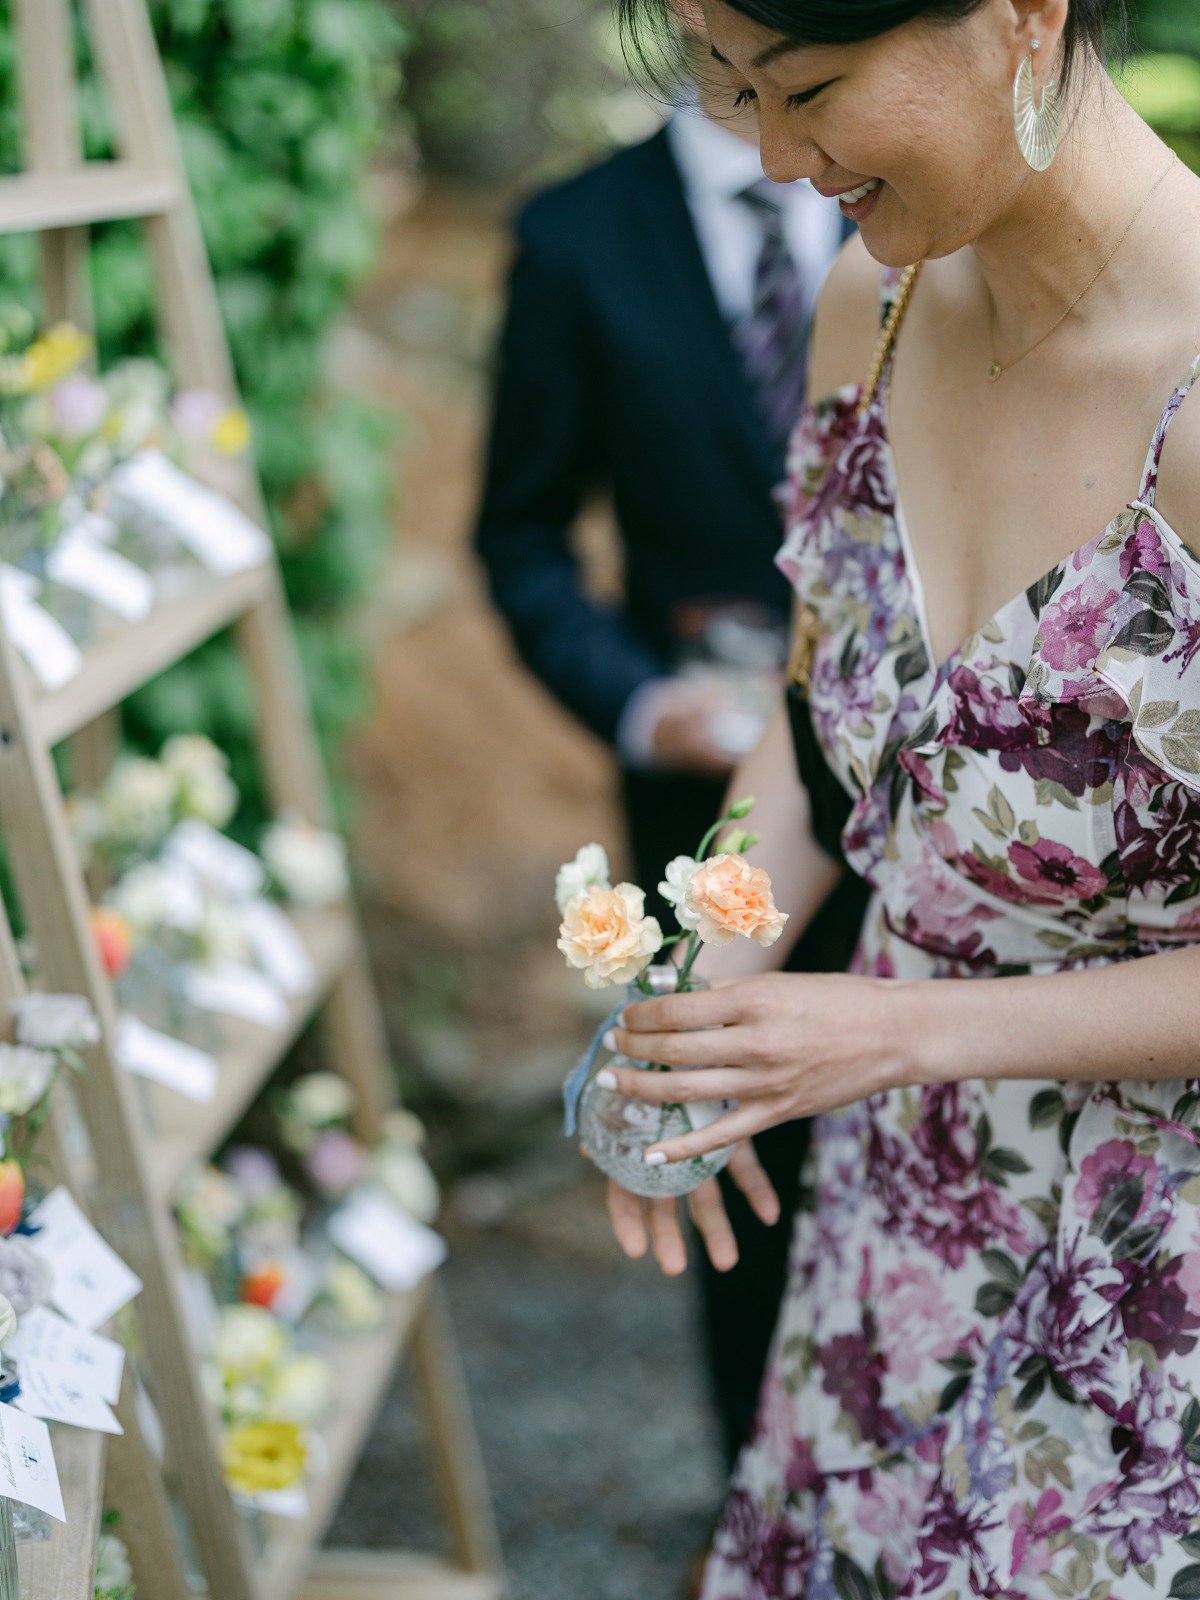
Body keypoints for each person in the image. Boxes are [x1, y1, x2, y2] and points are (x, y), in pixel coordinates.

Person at [601, 0, 1200, 1592]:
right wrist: (706, 981)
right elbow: (816, 743)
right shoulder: (867, 307)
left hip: (1153, 1309)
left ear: (1025, 14)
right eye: (736, 94)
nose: (779, 161)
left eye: (809, 91)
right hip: (890, 1253)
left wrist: (902, 1029)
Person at [475, 31, 867, 1469]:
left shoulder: (904, 195)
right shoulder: (573, 237)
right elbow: (518, 535)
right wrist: (645, 703)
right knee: (724, 1163)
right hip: (707, 814)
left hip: (929, 791)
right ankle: (754, 1495)